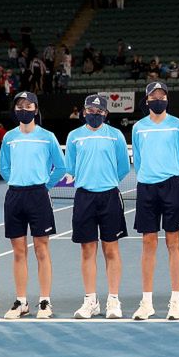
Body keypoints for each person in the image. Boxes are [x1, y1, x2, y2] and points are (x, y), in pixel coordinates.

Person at [0, 91, 66, 319]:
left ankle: (45, 301)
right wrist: (17, 181)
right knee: (18, 252)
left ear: (36, 110)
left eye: (28, 106)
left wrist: (43, 187)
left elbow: (61, 167)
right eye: (20, 106)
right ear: (15, 110)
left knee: (41, 250)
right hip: (15, 196)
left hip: (39, 196)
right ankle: (21, 302)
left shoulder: (47, 136)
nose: (24, 109)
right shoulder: (9, 137)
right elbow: (5, 167)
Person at [64, 95, 131, 319]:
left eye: (99, 110)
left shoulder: (115, 136)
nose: (94, 113)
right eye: (90, 110)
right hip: (84, 197)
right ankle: (90, 301)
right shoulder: (74, 137)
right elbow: (70, 167)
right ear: (84, 112)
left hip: (109, 196)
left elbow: (123, 167)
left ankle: (113, 300)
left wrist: (106, 182)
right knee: (87, 251)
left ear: (105, 113)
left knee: (111, 249)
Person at [131, 81, 179, 321]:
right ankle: (146, 302)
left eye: (161, 95)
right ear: (146, 100)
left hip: (172, 186)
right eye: (153, 96)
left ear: (166, 98)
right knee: (148, 243)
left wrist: (169, 174)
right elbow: (138, 157)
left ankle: (176, 301)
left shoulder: (178, 125)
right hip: (146, 188)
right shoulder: (138, 127)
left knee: (173, 242)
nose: (157, 99)